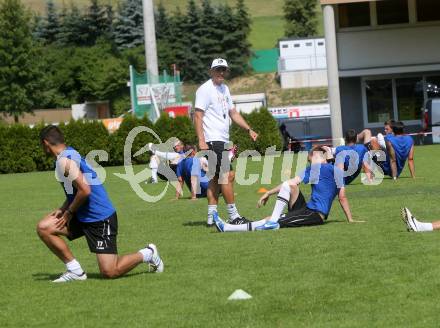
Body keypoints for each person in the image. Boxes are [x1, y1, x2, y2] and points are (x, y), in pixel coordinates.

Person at [36, 125, 164, 283]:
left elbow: (85, 190)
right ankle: (75, 271)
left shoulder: (64, 161)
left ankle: (148, 253)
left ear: (45, 143)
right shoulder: (70, 153)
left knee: (110, 272)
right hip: (82, 214)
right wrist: (63, 208)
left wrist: (68, 212)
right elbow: (78, 190)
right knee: (44, 227)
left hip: (100, 217)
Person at [213, 146, 362, 233]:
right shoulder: (336, 172)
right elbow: (342, 197)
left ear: (317, 157)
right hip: (308, 209)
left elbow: (289, 182)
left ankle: (228, 228)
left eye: (311, 159)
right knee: (288, 190)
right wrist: (350, 219)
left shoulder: (314, 169)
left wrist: (268, 192)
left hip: (315, 215)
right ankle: (230, 227)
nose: (311, 161)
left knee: (274, 221)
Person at [194, 58, 258, 226]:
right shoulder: (204, 90)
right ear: (211, 71)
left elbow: (233, 113)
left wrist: (248, 129)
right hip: (212, 139)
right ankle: (233, 215)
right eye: (218, 69)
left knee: (215, 179)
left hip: (221, 139)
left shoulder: (225, 89)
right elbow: (198, 116)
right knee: (227, 176)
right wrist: (201, 140)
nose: (221, 73)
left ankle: (211, 216)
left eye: (223, 70)